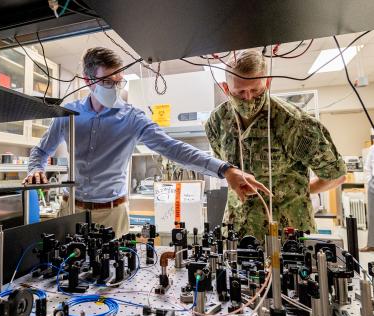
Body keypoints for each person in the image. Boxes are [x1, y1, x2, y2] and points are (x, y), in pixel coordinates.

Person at [24, 47, 269, 237]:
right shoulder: (69, 113)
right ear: (88, 81)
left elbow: (173, 148)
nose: (115, 87)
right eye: (107, 82)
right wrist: (36, 168)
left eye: (119, 81)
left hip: (112, 213)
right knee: (63, 275)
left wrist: (225, 169)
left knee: (112, 281)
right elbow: (41, 151)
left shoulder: (132, 118)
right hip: (70, 210)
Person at [205, 49, 347, 240]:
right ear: (225, 88)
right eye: (240, 92)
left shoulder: (295, 124)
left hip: (288, 235)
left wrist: (302, 189)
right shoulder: (217, 123)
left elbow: (336, 175)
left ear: (268, 82)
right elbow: (221, 167)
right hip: (237, 234)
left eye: (256, 90)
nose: (248, 98)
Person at [360, 143, 374, 252]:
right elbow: (367, 166)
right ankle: (371, 244)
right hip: (373, 184)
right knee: (372, 215)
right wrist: (370, 181)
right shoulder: (372, 149)